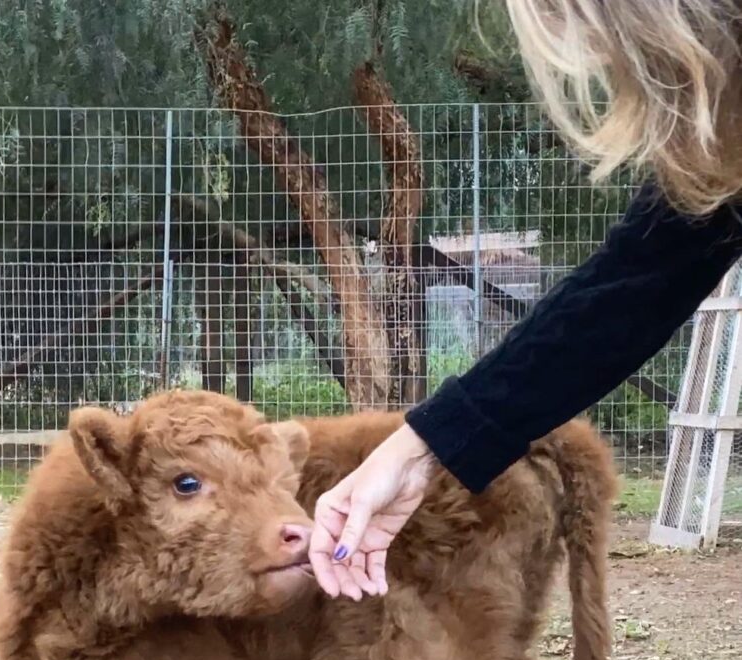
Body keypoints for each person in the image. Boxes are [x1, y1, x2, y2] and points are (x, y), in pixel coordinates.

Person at [310, 0, 742, 600]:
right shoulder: (723, 138)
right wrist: (421, 447)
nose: (595, 59)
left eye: (591, 29)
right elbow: (628, 290)